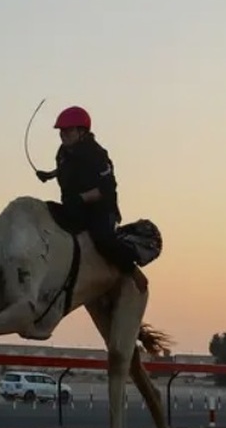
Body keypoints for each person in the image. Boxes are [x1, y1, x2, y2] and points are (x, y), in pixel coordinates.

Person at [35, 105, 148, 293]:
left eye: (68, 130)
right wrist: (50, 174)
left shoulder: (97, 154)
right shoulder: (63, 152)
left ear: (81, 131)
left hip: (100, 210)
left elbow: (107, 188)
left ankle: (131, 269)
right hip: (74, 207)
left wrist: (81, 198)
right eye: (61, 131)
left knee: (102, 239)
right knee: (45, 213)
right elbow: (67, 169)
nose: (63, 134)